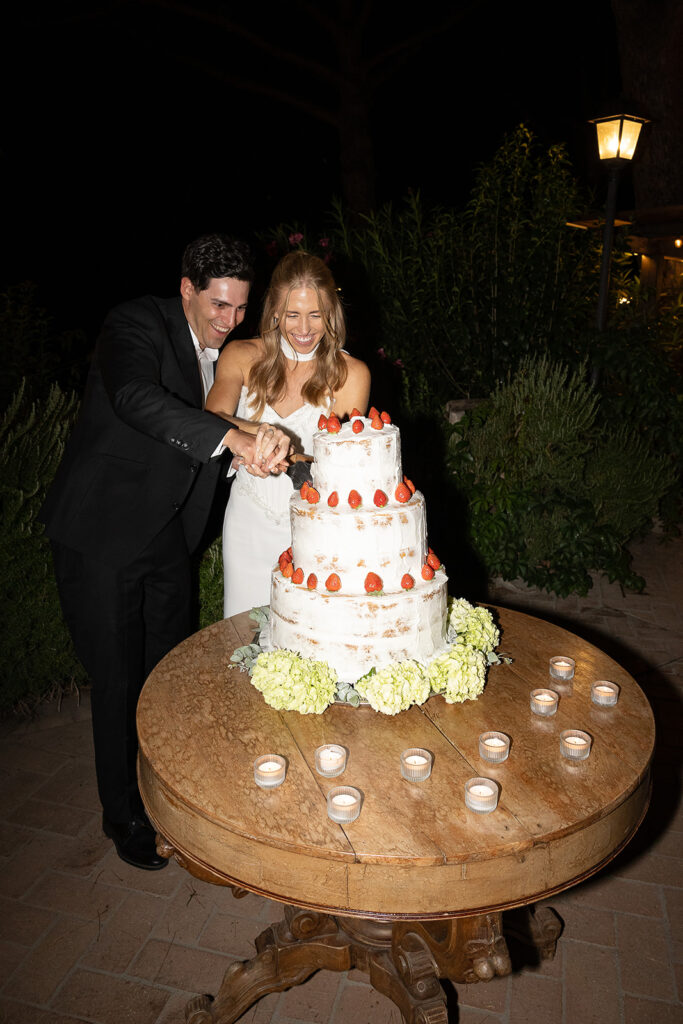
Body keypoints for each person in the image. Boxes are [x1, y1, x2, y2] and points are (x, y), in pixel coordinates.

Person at [40, 234, 290, 871]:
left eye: (239, 308)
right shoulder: (134, 324)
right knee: (118, 681)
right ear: (186, 289)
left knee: (168, 674)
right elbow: (136, 400)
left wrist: (253, 448)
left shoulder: (228, 346)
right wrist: (234, 438)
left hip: (165, 540)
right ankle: (122, 815)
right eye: (217, 307)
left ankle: (167, 799)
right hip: (102, 535)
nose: (229, 321)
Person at [206, 251, 371, 617]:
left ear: (331, 313)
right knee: (244, 633)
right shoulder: (240, 354)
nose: (304, 328)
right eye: (293, 315)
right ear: (275, 311)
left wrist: (281, 451)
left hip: (314, 527)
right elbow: (211, 415)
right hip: (248, 522)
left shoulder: (352, 373)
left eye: (316, 315)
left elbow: (340, 464)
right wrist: (263, 432)